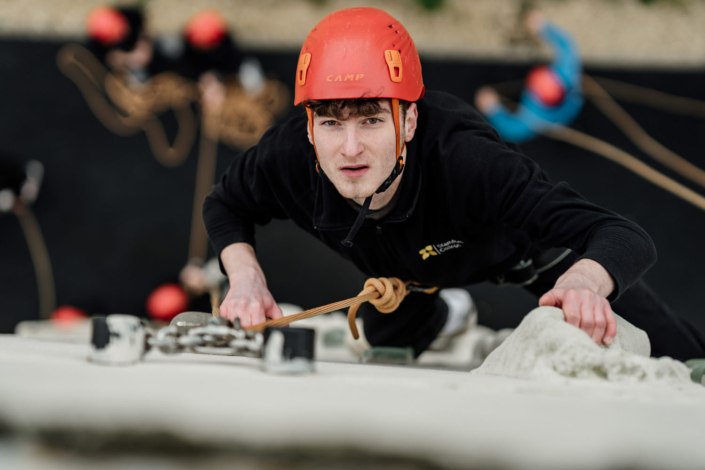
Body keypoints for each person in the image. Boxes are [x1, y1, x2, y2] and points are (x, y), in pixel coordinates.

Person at [203, 8, 705, 361]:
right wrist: (245, 278)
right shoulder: (287, 155)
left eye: (372, 120)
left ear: (410, 123)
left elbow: (623, 236)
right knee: (387, 347)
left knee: (685, 359)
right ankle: (447, 314)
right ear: (309, 126)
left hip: (520, 255)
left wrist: (583, 282)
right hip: (405, 278)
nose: (349, 149)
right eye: (331, 124)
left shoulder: (467, 159)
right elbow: (225, 205)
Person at [474, 11, 583, 144]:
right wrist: (542, 26)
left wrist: (492, 108)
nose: (542, 78)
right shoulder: (566, 76)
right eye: (549, 77)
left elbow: (511, 130)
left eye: (540, 85)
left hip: (557, 119)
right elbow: (567, 46)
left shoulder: (533, 115)